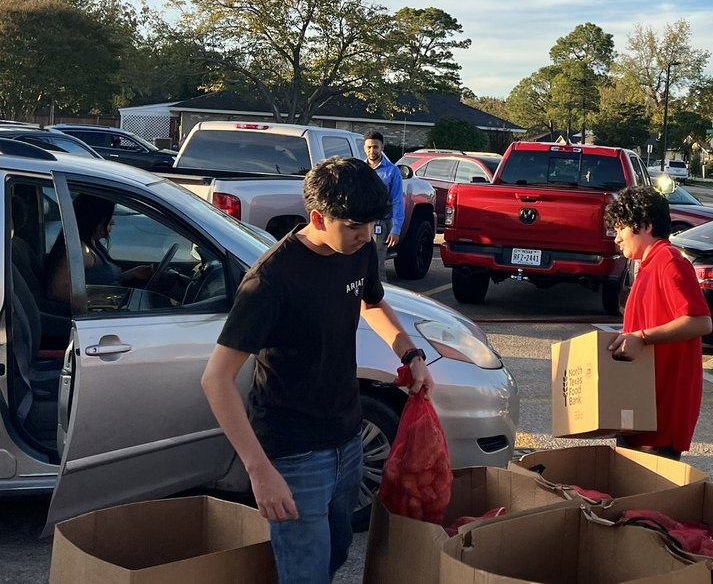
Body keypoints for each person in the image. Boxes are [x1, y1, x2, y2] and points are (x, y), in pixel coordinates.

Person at [202, 156, 433, 584]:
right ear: (317, 217)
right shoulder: (270, 280)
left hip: (348, 437)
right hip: (293, 451)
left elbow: (373, 302)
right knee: (305, 571)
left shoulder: (359, 250)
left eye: (371, 228)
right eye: (354, 228)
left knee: (336, 551)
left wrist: (409, 352)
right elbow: (215, 379)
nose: (366, 238)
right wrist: (260, 471)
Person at [606, 186, 712, 458]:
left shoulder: (669, 261)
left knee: (647, 495)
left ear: (645, 226)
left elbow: (701, 322)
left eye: (621, 228)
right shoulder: (647, 263)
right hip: (643, 402)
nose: (616, 238)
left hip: (661, 410)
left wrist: (642, 336)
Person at [47, 194, 154, 303]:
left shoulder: (93, 243)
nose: (113, 222)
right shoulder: (79, 250)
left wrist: (132, 274)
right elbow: (58, 291)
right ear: (96, 219)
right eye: (109, 217)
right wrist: (102, 299)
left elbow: (102, 280)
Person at [364, 131, 405, 271]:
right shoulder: (360, 169)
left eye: (375, 147)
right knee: (359, 265)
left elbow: (397, 201)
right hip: (361, 223)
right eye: (369, 147)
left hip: (380, 224)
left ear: (382, 147)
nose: (372, 150)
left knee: (377, 266)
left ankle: (381, 292)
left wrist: (396, 229)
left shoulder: (392, 171)